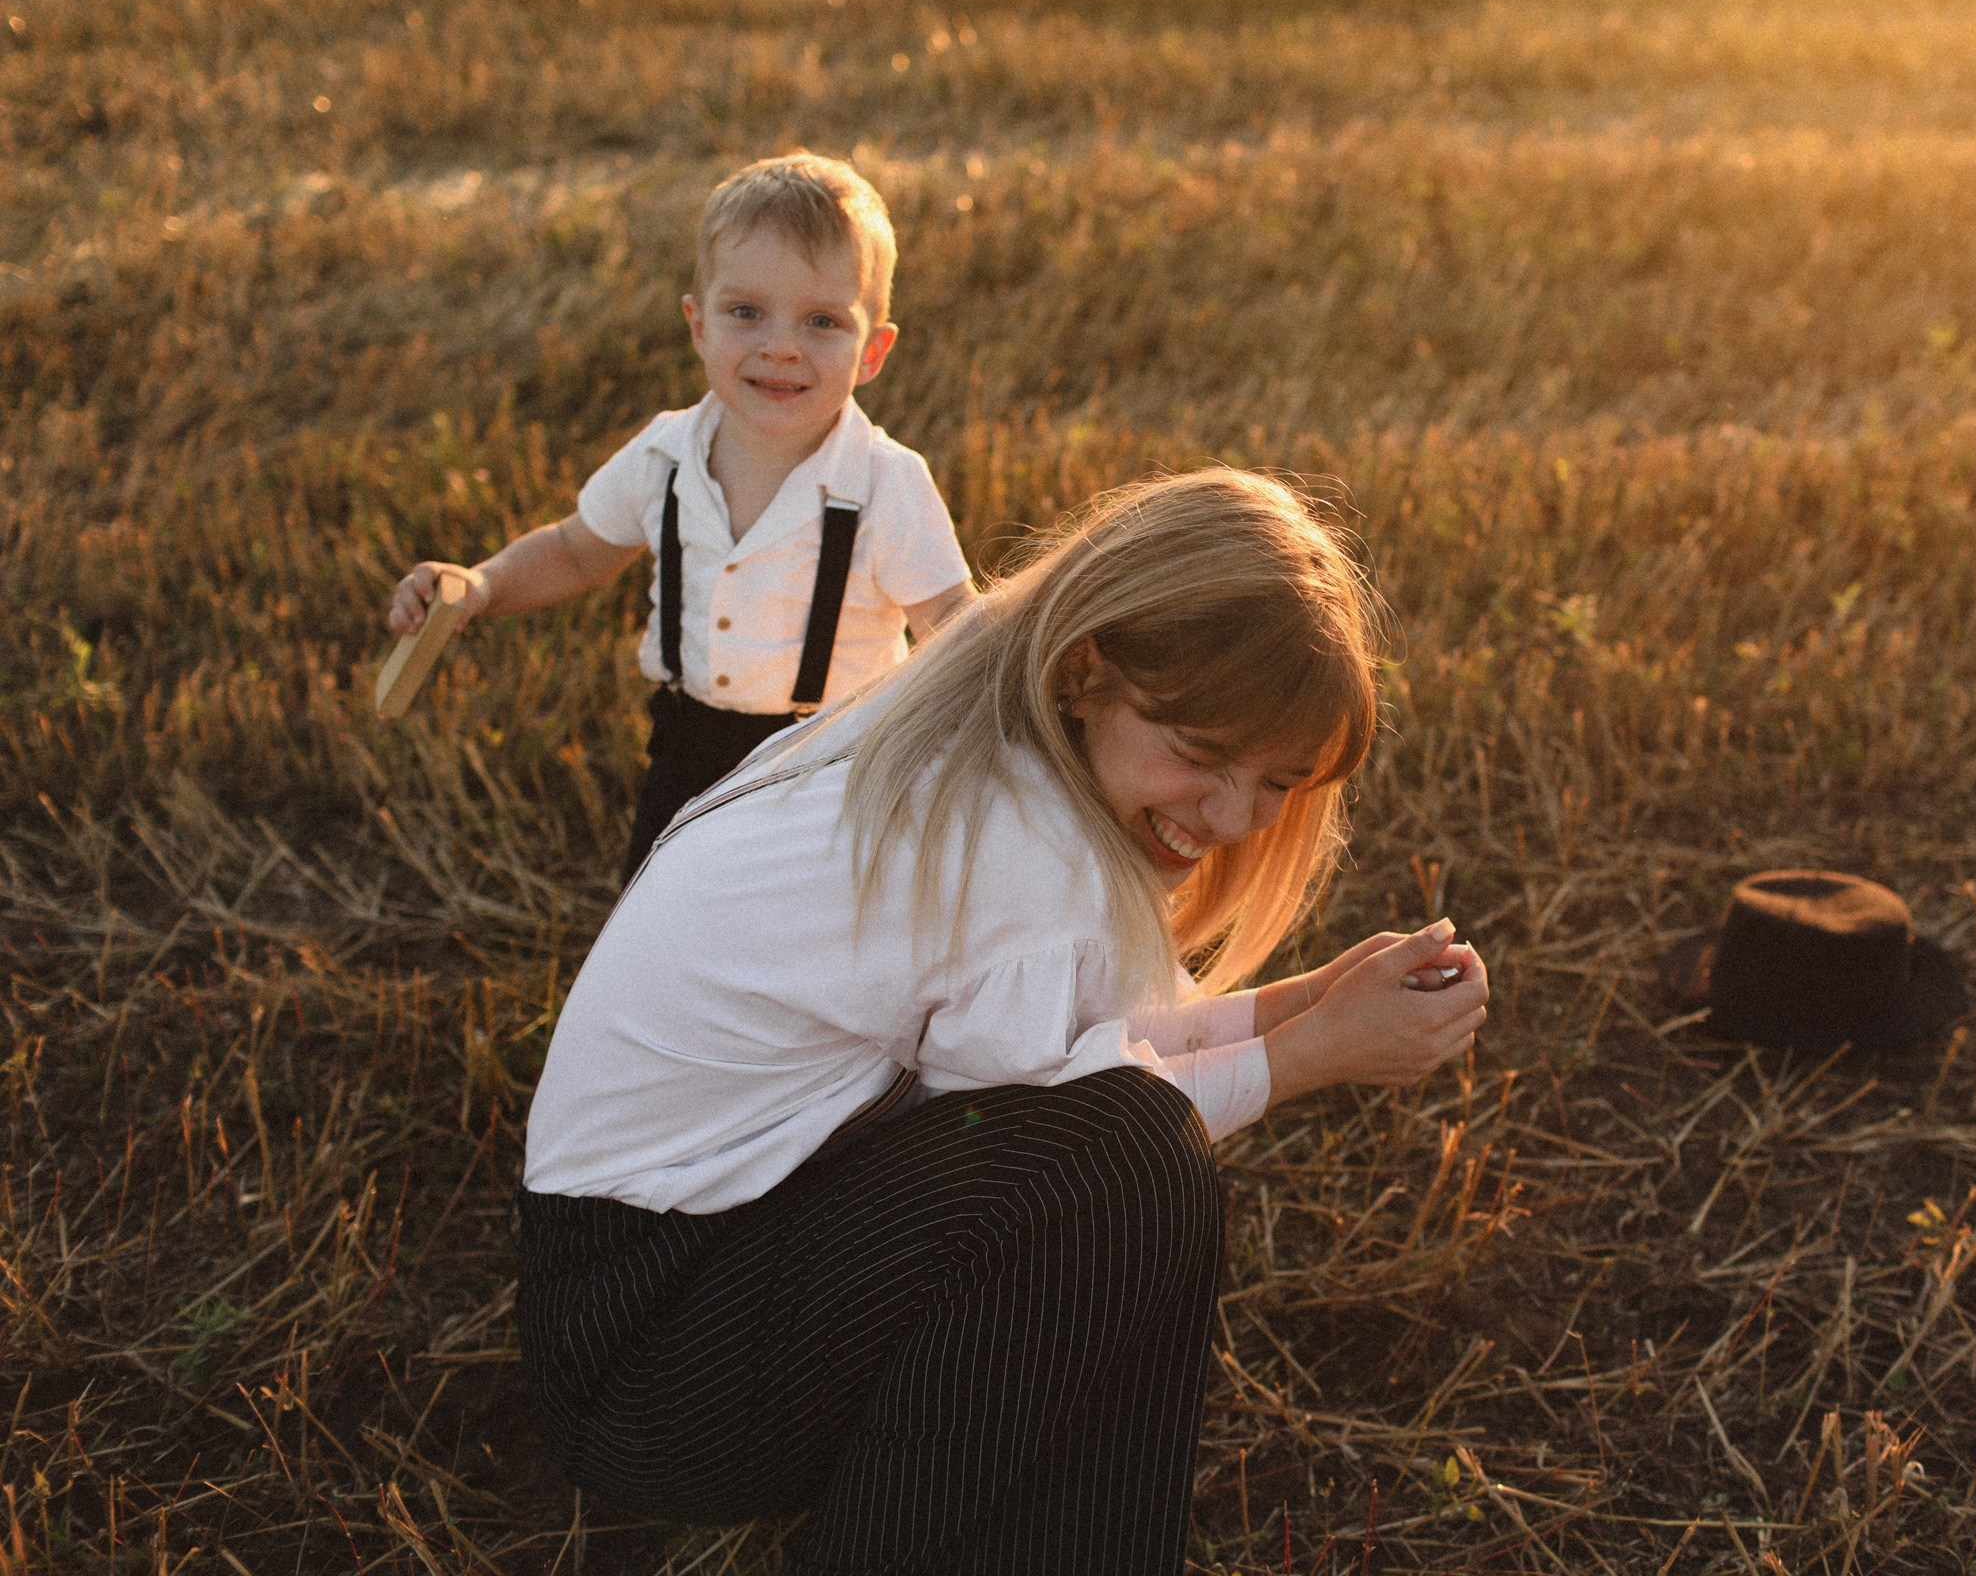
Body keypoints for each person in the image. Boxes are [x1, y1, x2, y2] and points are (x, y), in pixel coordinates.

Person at [515, 468, 1490, 1575]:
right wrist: (1308, 1057)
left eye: (1276, 781)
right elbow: (1069, 1144)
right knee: (1133, 1171)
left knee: (1133, 1159)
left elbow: (1082, 1056)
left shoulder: (989, 745)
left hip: (649, 1289)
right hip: (651, 1360)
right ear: (1088, 673)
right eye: (1201, 756)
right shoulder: (1014, 848)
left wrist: (1299, 1004)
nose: (1231, 818)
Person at [386, 151, 974, 880]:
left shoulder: (886, 484)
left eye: (822, 321)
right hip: (686, 743)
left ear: (873, 351)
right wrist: (482, 584)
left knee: (807, 947)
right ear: (698, 325)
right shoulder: (665, 454)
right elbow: (576, 551)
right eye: (746, 312)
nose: (780, 346)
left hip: (830, 765)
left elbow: (952, 621)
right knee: (660, 913)